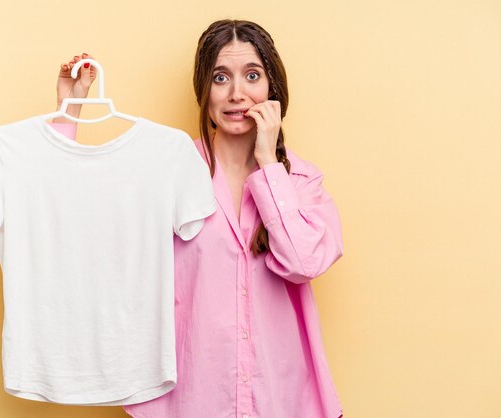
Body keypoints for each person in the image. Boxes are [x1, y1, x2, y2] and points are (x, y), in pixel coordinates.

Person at [50, 20, 344, 418]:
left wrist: (268, 164)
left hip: (281, 401)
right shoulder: (167, 171)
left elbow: (303, 263)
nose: (237, 94)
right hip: (189, 402)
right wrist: (69, 114)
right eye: (221, 77)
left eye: (252, 76)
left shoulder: (301, 182)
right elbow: (78, 222)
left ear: (272, 88)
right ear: (204, 90)